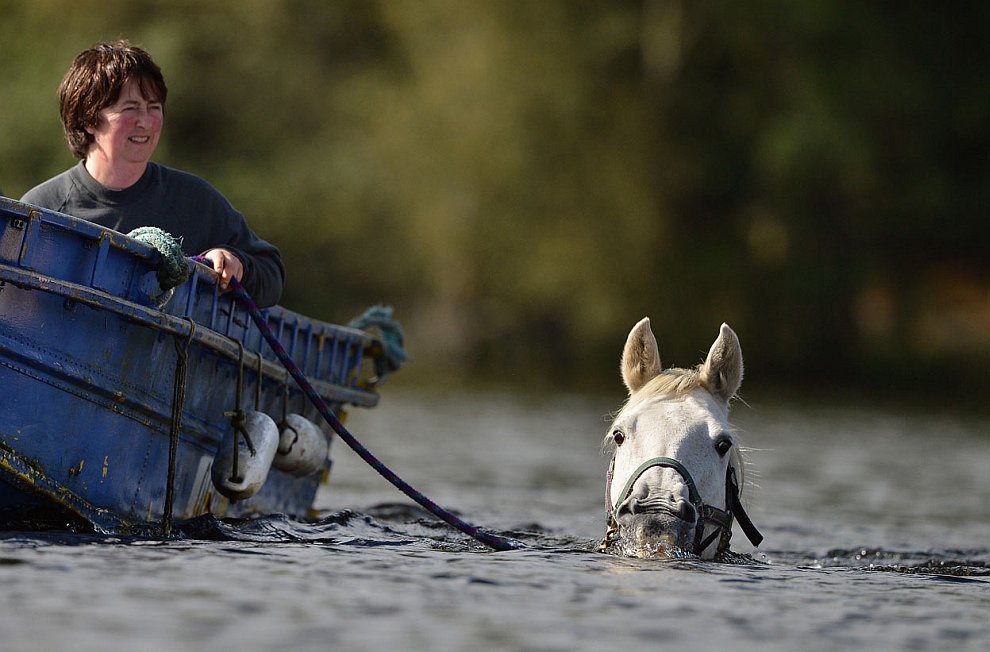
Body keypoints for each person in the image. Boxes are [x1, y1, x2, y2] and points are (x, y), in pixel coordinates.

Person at [21, 40, 284, 307]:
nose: (145, 122)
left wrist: (235, 263)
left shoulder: (194, 200)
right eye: (130, 108)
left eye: (154, 107)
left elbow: (271, 276)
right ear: (89, 119)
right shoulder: (43, 209)